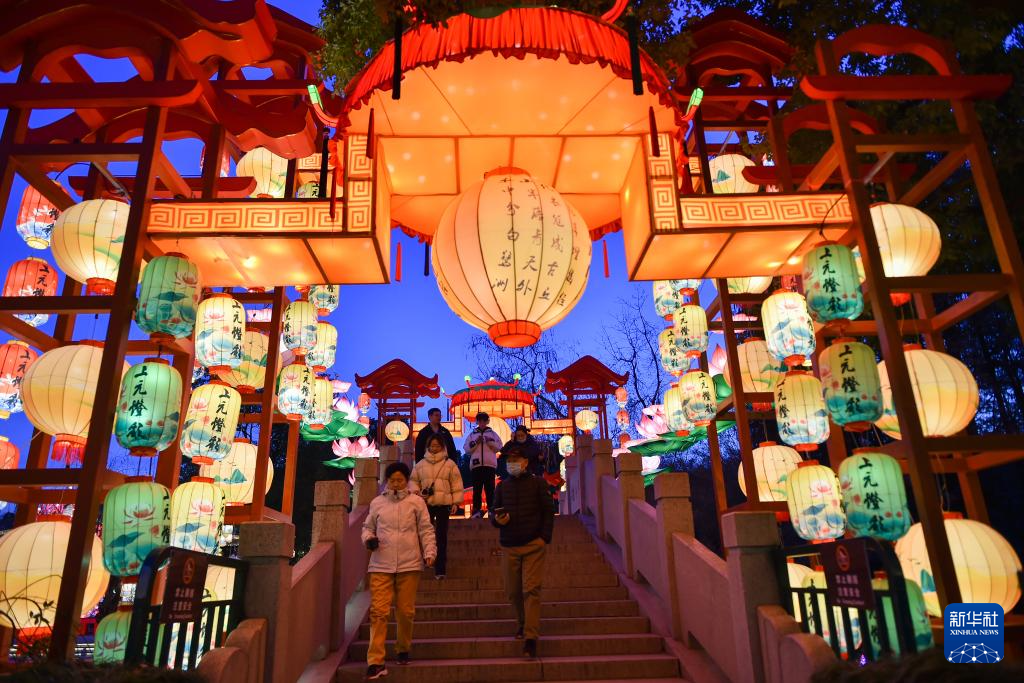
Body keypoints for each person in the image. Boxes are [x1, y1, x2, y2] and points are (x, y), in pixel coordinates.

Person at [362, 462, 437, 680]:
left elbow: (426, 529)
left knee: (405, 612)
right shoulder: (377, 503)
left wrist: (429, 551)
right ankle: (376, 661)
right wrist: (368, 539)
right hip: (380, 564)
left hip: (409, 564)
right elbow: (367, 528)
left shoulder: (416, 502)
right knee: (378, 612)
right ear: (387, 481)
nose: (396, 484)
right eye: (392, 480)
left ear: (406, 480)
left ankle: (403, 647)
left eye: (400, 480)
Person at [491, 444, 554, 659]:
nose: (512, 464)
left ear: (525, 462)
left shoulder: (538, 483)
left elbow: (548, 511)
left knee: (531, 589)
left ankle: (530, 638)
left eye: (516, 460)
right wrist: (498, 521)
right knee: (513, 591)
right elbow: (493, 512)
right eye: (509, 461)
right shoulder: (502, 487)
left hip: (533, 544)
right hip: (509, 544)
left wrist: (544, 537)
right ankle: (522, 622)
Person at [411, 434, 464, 579]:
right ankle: (426, 560)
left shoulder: (449, 464)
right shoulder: (420, 464)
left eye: (437, 446)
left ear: (442, 447)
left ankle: (440, 568)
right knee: (424, 534)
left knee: (441, 536)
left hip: (443, 504)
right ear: (428, 447)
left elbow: (457, 484)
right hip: (425, 504)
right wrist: (417, 492)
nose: (434, 448)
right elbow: (413, 481)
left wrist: (455, 502)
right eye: (432, 445)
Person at [465, 411, 502, 518]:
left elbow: (499, 446)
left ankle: (491, 510)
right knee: (477, 489)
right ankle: (476, 510)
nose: (482, 423)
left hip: (489, 465)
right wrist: (476, 442)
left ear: (487, 421)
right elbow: (466, 449)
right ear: (477, 421)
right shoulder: (472, 435)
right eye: (480, 420)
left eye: (484, 420)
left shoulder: (493, 434)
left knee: (490, 489)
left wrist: (489, 441)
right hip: (476, 465)